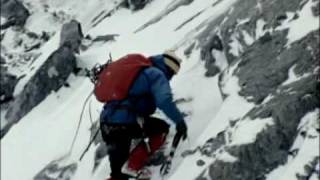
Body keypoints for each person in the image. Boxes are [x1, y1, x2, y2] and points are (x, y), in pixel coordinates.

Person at [99, 50, 188, 180]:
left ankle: (123, 172)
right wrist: (180, 122)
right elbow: (164, 100)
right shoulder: (156, 74)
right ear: (168, 68)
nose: (171, 77)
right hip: (125, 124)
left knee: (117, 175)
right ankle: (133, 165)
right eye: (173, 73)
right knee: (161, 129)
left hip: (106, 124)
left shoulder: (139, 70)